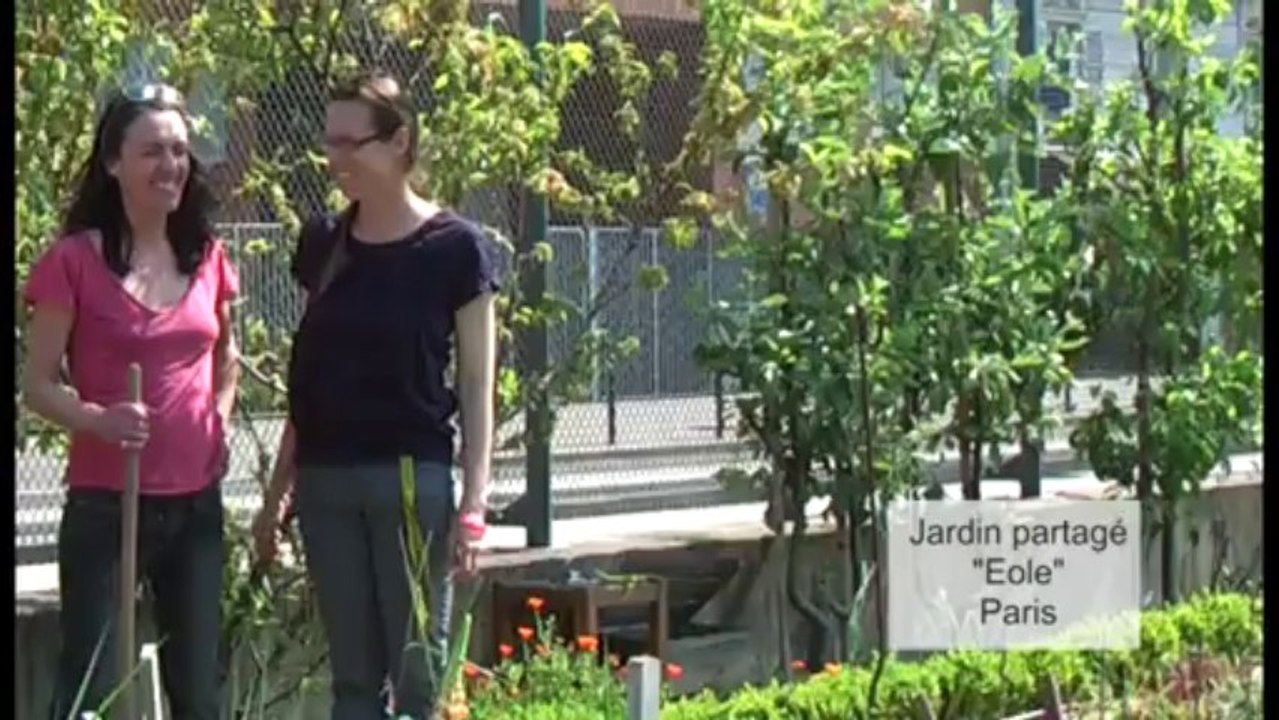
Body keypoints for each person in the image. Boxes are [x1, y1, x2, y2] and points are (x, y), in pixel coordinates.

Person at [251, 70, 500, 720]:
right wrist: (276, 497)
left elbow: (477, 385)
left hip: (412, 483)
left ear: (399, 143)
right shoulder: (322, 243)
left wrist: (474, 505)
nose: (335, 159)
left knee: (417, 678)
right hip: (326, 483)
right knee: (352, 686)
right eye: (328, 142)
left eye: (349, 143)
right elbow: (309, 379)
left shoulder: (455, 249)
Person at [22, 83, 240, 720]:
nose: (170, 166)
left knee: (199, 692)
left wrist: (219, 422)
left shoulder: (208, 256)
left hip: (196, 507)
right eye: (151, 152)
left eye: (178, 151)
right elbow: (36, 384)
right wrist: (99, 419)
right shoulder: (73, 263)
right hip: (107, 504)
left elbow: (226, 360)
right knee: (91, 685)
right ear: (114, 163)